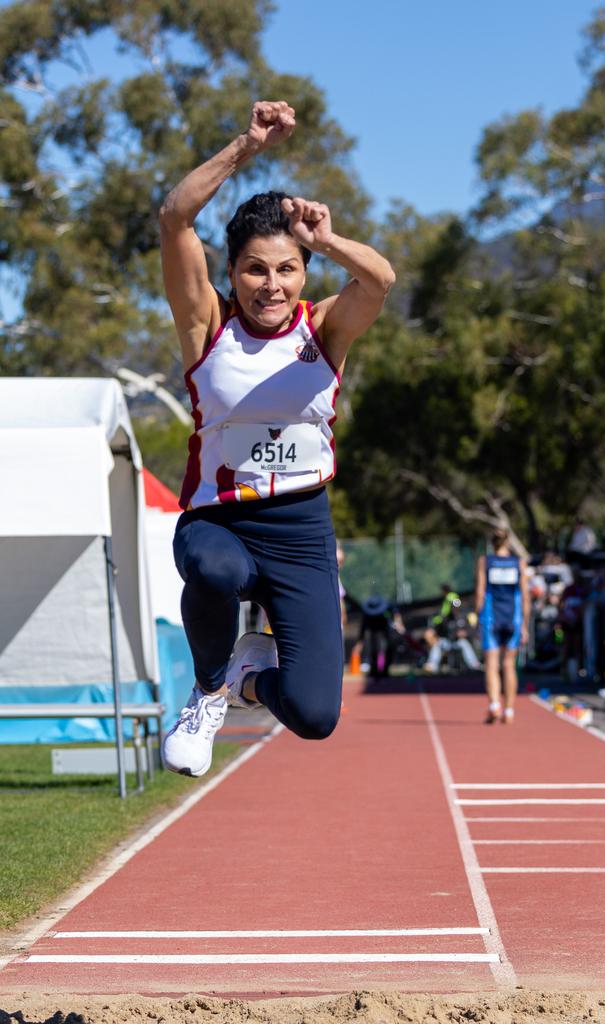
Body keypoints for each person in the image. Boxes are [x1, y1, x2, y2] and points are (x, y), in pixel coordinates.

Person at [159, 100, 395, 776]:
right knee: (215, 571)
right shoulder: (207, 325)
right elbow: (175, 216)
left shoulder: (322, 331)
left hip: (302, 530)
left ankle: (248, 676)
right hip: (218, 522)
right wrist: (246, 146)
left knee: (316, 715)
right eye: (256, 269)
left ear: (305, 274)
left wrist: (328, 241)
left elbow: (380, 280)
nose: (272, 285)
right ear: (231, 273)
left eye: (287, 269)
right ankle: (206, 692)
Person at [475, 528, 530, 724]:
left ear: (492, 543)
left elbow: (481, 592)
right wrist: (524, 624)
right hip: (513, 618)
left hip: (491, 617)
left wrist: (477, 616)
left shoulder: (485, 562)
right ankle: (509, 710)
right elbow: (525, 595)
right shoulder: (518, 563)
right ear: (507, 542)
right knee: (508, 664)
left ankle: (494, 705)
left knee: (491, 663)